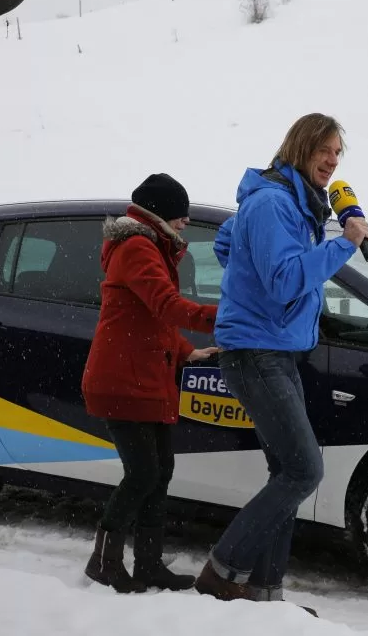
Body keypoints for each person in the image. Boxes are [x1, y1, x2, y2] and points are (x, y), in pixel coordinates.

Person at [192, 113, 368, 613]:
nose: (333, 161)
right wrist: (345, 244)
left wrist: (249, 280)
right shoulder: (274, 202)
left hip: (276, 348)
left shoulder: (286, 201)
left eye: (339, 153)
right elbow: (287, 280)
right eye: (326, 150)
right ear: (303, 146)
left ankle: (264, 596)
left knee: (286, 472)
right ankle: (222, 573)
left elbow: (228, 243)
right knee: (303, 470)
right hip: (257, 352)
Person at [82, 173, 219, 594]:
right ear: (159, 213)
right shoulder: (138, 247)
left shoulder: (151, 247)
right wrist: (229, 318)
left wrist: (185, 352)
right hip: (123, 380)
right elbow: (167, 305)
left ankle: (148, 564)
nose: (184, 225)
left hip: (147, 377)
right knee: (143, 474)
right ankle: (103, 561)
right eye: (180, 216)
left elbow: (149, 318)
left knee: (160, 473)